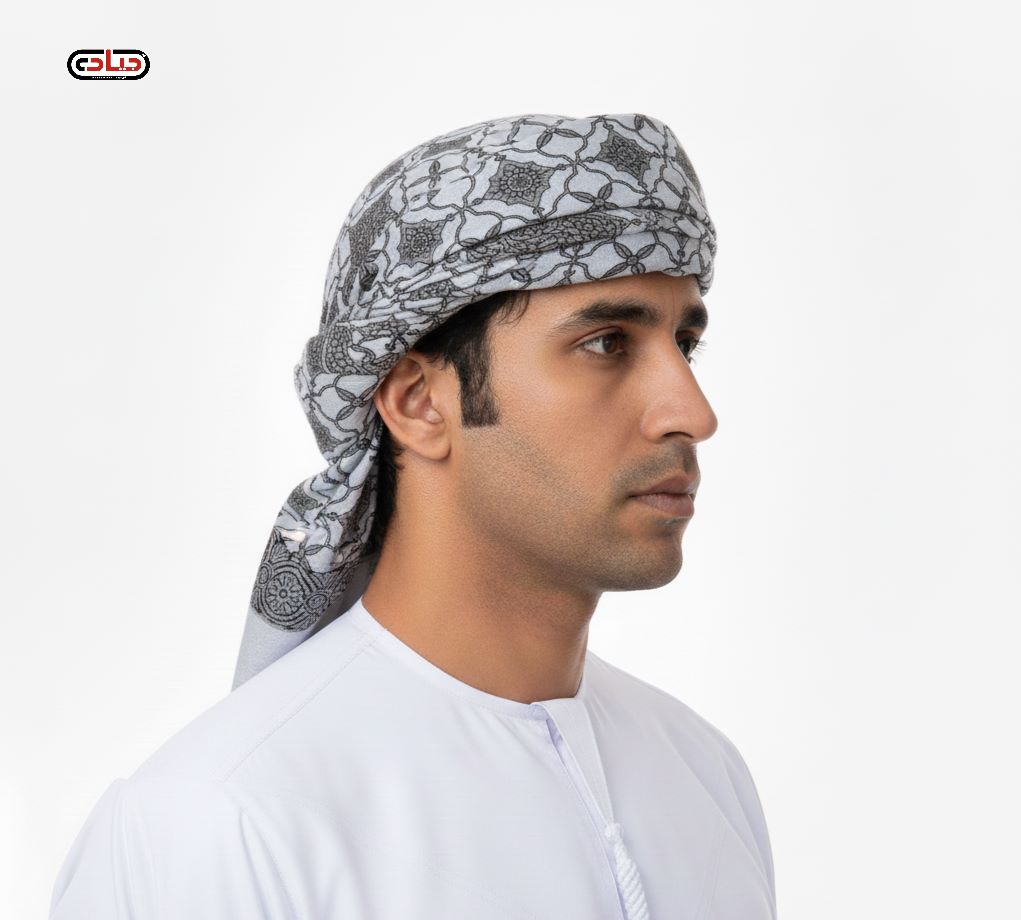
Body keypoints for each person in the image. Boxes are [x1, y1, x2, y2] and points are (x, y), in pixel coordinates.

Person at [49, 112, 777, 919]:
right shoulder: (220, 823)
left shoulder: (702, 773)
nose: (692, 413)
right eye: (606, 343)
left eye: (685, 343)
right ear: (418, 403)